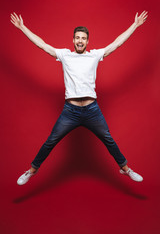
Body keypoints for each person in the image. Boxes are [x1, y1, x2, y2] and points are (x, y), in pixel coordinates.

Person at [10, 11, 148, 185]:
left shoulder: (95, 55)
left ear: (87, 41)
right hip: (71, 111)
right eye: (77, 38)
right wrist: (23, 28)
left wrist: (134, 25)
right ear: (73, 40)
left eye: (83, 38)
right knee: (51, 141)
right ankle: (31, 171)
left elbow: (116, 43)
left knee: (108, 139)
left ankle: (125, 169)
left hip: (92, 110)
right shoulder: (65, 55)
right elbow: (42, 45)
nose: (80, 41)